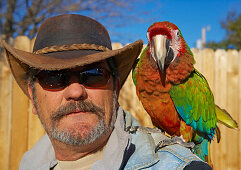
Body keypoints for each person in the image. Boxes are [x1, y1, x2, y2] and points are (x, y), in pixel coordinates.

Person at [2, 14, 212, 170]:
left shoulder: (176, 165)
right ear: (32, 96)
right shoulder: (28, 163)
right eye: (54, 78)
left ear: (116, 87)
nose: (75, 91)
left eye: (93, 73)